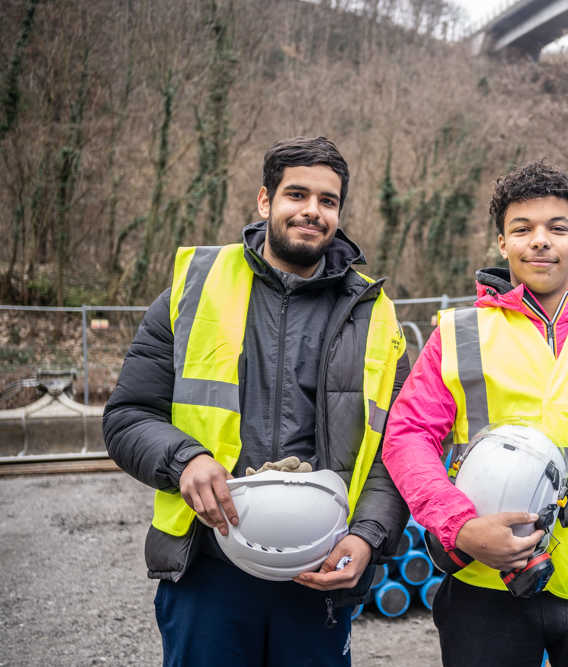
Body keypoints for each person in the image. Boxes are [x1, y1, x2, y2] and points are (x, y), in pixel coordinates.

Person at [103, 136, 410, 666]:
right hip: (208, 567)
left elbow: (399, 448)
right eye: (297, 194)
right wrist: (185, 459)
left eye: (328, 201)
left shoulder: (373, 313)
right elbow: (128, 416)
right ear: (265, 201)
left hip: (320, 570)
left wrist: (367, 536)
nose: (312, 211)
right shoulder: (193, 288)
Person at [382, 160, 568, 667]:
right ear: (502, 243)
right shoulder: (459, 333)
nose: (541, 241)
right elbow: (406, 439)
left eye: (557, 228)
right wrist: (460, 528)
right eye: (523, 229)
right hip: (484, 584)